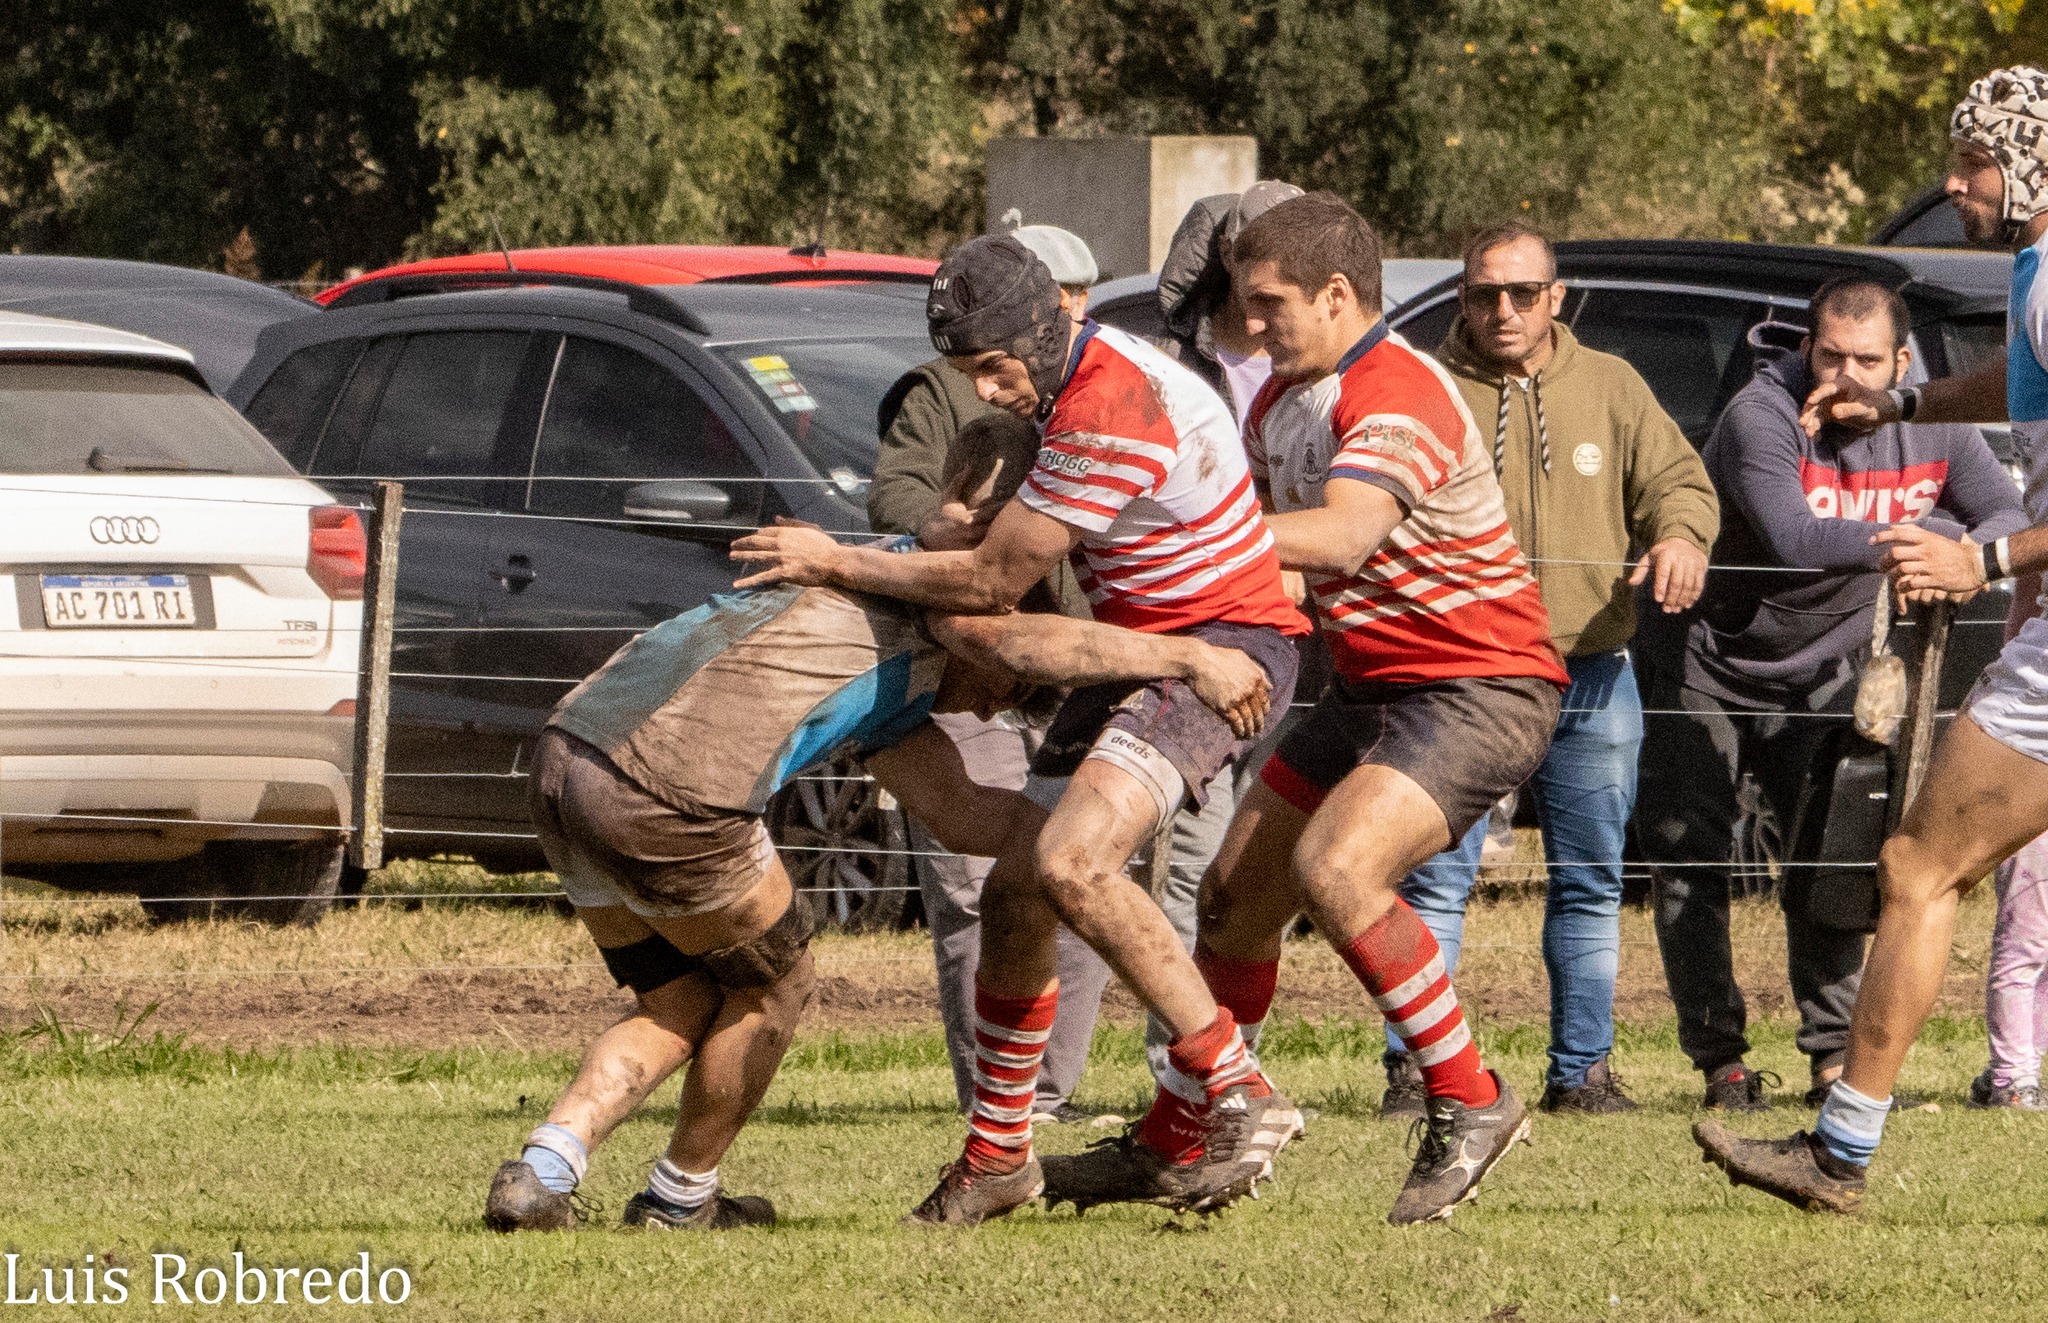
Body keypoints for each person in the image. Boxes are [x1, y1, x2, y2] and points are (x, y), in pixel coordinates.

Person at [482, 420, 1276, 1233]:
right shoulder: (945, 599)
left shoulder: (885, 653)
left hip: (567, 754)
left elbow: (965, 811)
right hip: (672, 784)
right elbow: (1023, 642)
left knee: (680, 997)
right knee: (776, 987)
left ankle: (542, 1172)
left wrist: (1082, 842)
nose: (984, 710)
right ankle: (680, 1200)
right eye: (1000, 697)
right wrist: (1189, 657)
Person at [731, 234, 1314, 1226]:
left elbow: (991, 580)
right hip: (1145, 645)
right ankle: (999, 1154)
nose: (989, 390)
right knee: (1013, 892)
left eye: (997, 367)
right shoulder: (1074, 380)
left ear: (1049, 327)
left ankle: (1239, 1087)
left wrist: (833, 559)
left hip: (1220, 645)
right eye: (970, 373)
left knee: (1072, 864)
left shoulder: (1106, 406)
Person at [1047, 193, 1570, 1225]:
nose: (1249, 325)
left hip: (1480, 685)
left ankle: (1470, 1096)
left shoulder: (1394, 391)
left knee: (1335, 869)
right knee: (1233, 897)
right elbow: (1272, 567)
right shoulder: (1281, 400)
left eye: (1268, 303)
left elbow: (1337, 537)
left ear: (1337, 294)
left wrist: (1178, 535)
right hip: (1373, 686)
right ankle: (1181, 1135)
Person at [1695, 65, 2048, 1213]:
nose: (1951, 184)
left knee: (1916, 866)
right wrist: (1900, 405)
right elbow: (2023, 388)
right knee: (1917, 867)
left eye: (1972, 161)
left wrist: (1984, 563)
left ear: (2029, 163)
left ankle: (1838, 1151)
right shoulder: (2034, 274)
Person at [1638, 275, 2024, 1115]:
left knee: (1830, 861)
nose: (1846, 378)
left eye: (1868, 362)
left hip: (1828, 670)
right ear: (1808, 349)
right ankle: (1721, 1060)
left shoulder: (1937, 425)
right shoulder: (1763, 413)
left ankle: (1830, 1057)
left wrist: (1962, 550)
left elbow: (2005, 512)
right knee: (1689, 861)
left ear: (1903, 363)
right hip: (1710, 660)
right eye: (1831, 356)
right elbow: (1795, 534)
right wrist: (1933, 538)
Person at [1368, 222, 1718, 1120]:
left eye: (1524, 292)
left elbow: (1678, 483)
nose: (1505, 309)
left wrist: (1681, 536)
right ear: (1462, 296)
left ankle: (1582, 1073)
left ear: (1555, 297)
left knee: (1591, 880)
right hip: (1457, 676)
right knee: (1434, 880)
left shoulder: (1611, 384)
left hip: (1590, 671)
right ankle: (1421, 1072)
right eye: (1486, 293)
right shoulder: (1421, 387)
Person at [868, 223, 1117, 1127]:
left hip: (1078, 662)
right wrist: (953, 526)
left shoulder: (1100, 388)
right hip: (971, 659)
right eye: (1059, 294)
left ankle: (1050, 1092)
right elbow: (895, 492)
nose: (1072, 311)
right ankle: (995, 1099)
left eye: (1082, 295)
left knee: (1080, 875)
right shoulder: (944, 389)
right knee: (975, 887)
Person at [1156, 180, 1305, 422]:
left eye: (1297, 258)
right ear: (1226, 253)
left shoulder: (1329, 363)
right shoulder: (1167, 360)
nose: (1277, 271)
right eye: (1260, 254)